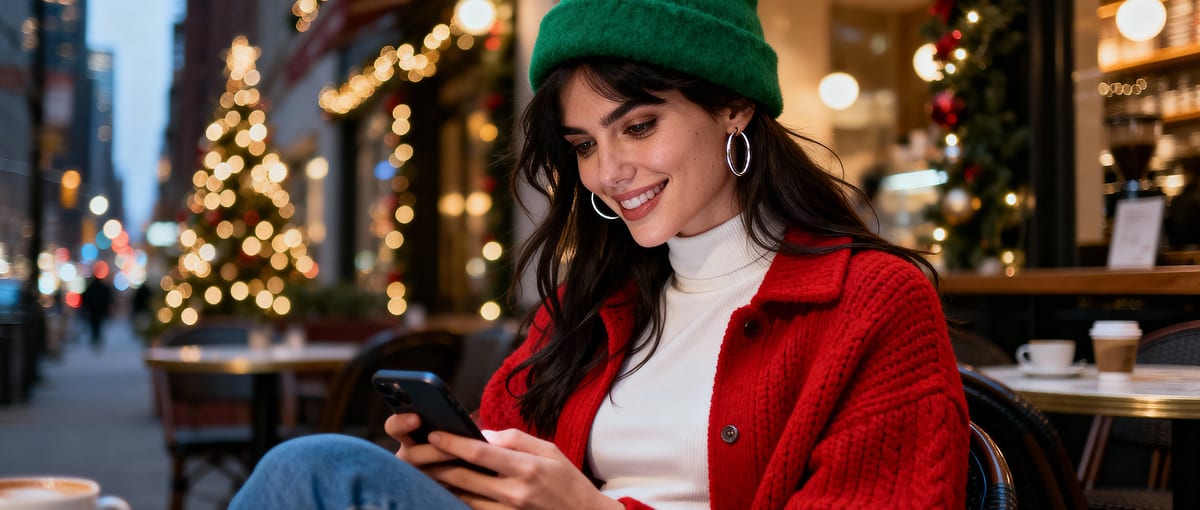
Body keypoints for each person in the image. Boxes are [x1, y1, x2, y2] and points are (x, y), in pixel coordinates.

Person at [230, 0, 969, 508]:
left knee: (309, 468)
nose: (608, 172)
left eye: (639, 126)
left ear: (734, 106)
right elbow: (502, 464)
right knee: (322, 474)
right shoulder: (590, 301)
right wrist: (453, 474)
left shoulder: (873, 303)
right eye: (584, 144)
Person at [79, 274, 113, 352]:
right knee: (99, 325)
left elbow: (85, 298)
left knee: (94, 325)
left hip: (92, 311)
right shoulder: (103, 287)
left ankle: (95, 338)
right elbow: (108, 297)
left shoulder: (90, 287)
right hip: (100, 310)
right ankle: (97, 338)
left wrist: (86, 308)